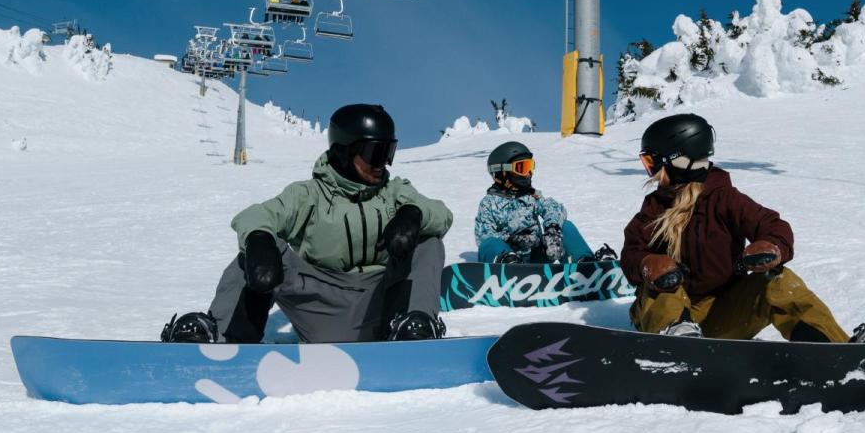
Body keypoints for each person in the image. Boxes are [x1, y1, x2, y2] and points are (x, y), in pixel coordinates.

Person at [162, 104, 453, 345]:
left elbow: (442, 215)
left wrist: (413, 214)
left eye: (388, 153)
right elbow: (255, 215)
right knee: (260, 245)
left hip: (380, 307)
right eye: (375, 153)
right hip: (321, 304)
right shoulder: (308, 195)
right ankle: (222, 335)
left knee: (429, 241)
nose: (383, 164)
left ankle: (415, 332)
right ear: (345, 151)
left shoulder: (395, 191)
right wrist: (260, 242)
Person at [620, 113, 865, 343]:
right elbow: (631, 252)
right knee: (664, 285)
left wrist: (773, 247)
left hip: (722, 314)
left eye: (651, 162)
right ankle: (678, 339)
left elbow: (773, 225)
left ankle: (834, 350)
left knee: (777, 281)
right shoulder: (654, 208)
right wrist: (646, 262)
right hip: (664, 317)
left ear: (678, 161)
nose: (650, 170)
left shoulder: (725, 199)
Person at [473, 141, 611, 264]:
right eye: (522, 168)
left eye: (530, 167)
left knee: (566, 225)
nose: (528, 174)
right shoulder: (489, 203)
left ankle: (584, 262)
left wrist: (552, 229)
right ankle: (509, 264)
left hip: (537, 256)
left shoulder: (532, 197)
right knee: (488, 244)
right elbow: (483, 236)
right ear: (501, 172)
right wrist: (513, 239)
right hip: (508, 257)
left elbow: (554, 208)